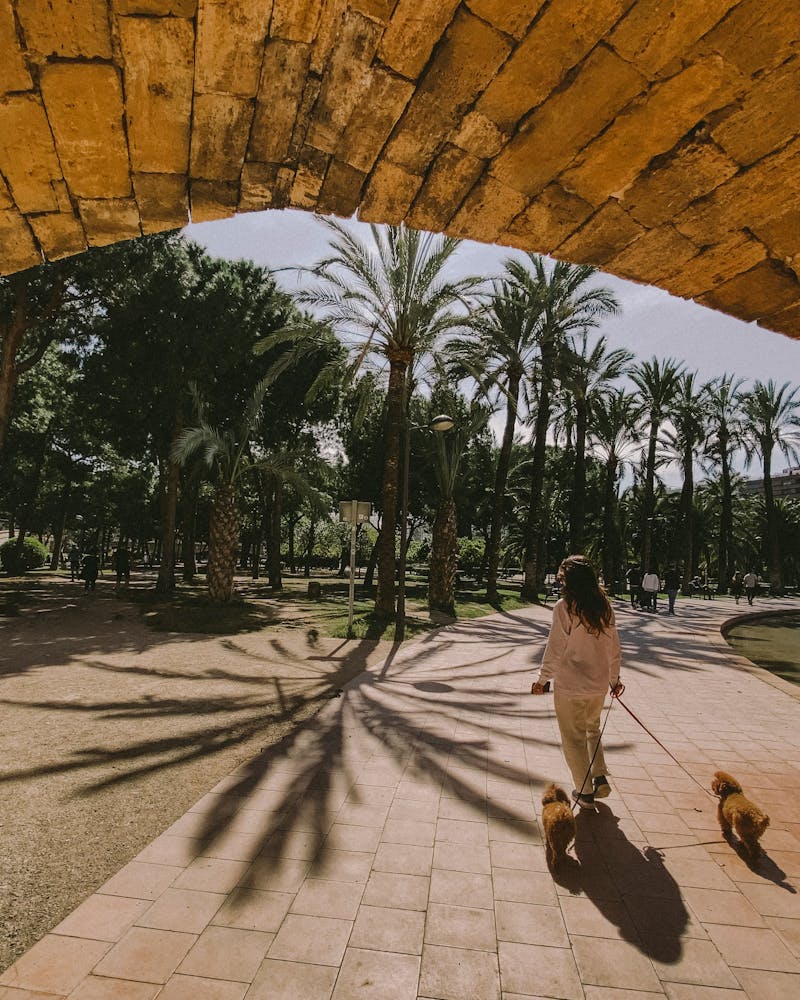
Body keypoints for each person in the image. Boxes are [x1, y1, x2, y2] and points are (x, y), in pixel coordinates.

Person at [531, 555, 623, 809]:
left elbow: (555, 647)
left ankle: (584, 792)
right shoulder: (605, 606)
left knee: (573, 738)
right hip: (598, 685)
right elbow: (614, 648)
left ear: (569, 580)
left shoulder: (565, 607)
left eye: (562, 577)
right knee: (592, 729)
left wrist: (542, 679)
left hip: (571, 685)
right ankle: (599, 775)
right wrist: (614, 680)